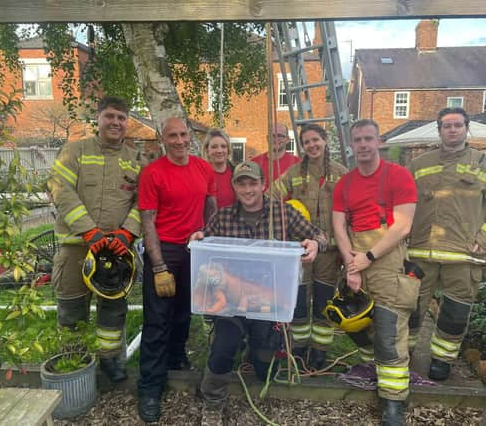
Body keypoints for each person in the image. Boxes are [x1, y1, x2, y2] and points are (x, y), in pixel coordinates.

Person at [191, 161, 328, 413]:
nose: (248, 190)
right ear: (234, 187)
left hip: (269, 302)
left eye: (253, 183)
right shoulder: (223, 217)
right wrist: (199, 237)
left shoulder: (283, 214)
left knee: (265, 367)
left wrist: (315, 244)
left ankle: (255, 350)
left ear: (263, 185)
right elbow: (205, 239)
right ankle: (212, 401)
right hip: (231, 302)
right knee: (222, 349)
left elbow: (319, 235)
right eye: (241, 184)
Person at [407, 107, 486, 381]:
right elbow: (402, 200)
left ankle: (442, 359)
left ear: (467, 129)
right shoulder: (420, 163)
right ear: (439, 129)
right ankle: (403, 351)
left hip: (464, 255)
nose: (452, 130)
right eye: (446, 125)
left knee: (455, 312)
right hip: (421, 252)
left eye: (457, 125)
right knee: (410, 306)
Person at [48, 96, 141, 383]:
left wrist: (126, 232)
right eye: (110, 116)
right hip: (77, 248)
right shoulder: (74, 151)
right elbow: (59, 188)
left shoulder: (136, 160)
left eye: (121, 118)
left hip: (117, 250)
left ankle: (109, 361)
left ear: (127, 123)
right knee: (72, 308)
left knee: (113, 310)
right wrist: (89, 230)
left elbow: (144, 202)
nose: (115, 122)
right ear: (98, 119)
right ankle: (74, 362)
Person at [332, 119, 418, 425]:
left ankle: (393, 401)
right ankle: (374, 369)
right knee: (353, 322)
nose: (364, 145)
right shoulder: (345, 183)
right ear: (351, 144)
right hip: (356, 256)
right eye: (358, 140)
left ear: (379, 141)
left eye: (369, 138)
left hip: (387, 257)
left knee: (388, 329)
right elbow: (339, 225)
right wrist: (350, 263)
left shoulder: (398, 176)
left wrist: (369, 256)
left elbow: (403, 225)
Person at [136, 117, 217, 423]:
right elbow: (148, 222)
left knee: (184, 313)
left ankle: (177, 358)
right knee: (157, 320)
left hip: (194, 248)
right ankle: (149, 387)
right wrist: (158, 267)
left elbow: (211, 208)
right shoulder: (152, 173)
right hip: (166, 249)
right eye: (173, 136)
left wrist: (210, 238)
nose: (180, 140)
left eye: (184, 135)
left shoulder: (203, 168)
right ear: (162, 138)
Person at [272, 123, 347, 370]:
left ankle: (320, 351)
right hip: (300, 250)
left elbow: (353, 209)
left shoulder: (341, 174)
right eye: (307, 142)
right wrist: (284, 224)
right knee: (301, 301)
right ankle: (300, 346)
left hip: (330, 250)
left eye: (316, 140)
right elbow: (269, 197)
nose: (312, 145)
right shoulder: (293, 174)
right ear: (302, 146)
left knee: (325, 300)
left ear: (325, 140)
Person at [252, 123, 300, 190]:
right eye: (273, 135)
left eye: (280, 135)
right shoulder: (254, 164)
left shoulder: (298, 163)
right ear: (267, 138)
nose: (276, 139)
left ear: (288, 139)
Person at [202, 128, 236, 208]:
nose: (219, 150)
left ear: (228, 150)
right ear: (207, 150)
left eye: (223, 146)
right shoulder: (200, 174)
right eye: (214, 147)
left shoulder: (237, 173)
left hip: (232, 219)